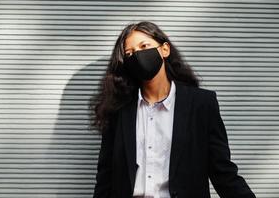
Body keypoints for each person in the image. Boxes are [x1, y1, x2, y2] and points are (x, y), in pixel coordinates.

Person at [91, 21, 256, 198]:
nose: (138, 56)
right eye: (130, 53)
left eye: (144, 46)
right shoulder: (119, 109)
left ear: (165, 49)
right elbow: (105, 179)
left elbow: (223, 173)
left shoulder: (200, 104)